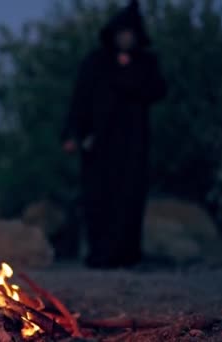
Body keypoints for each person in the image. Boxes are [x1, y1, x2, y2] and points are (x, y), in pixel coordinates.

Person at [62, 0, 167, 268]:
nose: (125, 38)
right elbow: (80, 99)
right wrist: (72, 134)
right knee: (97, 198)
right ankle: (99, 255)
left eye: (130, 33)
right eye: (121, 33)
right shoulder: (96, 62)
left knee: (129, 198)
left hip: (133, 144)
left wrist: (128, 72)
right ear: (113, 34)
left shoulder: (146, 62)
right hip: (98, 143)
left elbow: (157, 91)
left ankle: (127, 255)